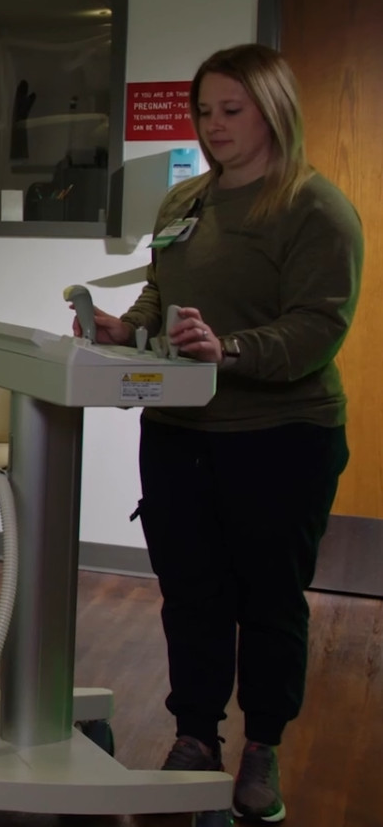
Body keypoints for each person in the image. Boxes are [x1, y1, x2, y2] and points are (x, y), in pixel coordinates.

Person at [75, 43, 362, 823]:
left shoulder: (314, 209)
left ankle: (263, 745)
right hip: (180, 432)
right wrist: (123, 329)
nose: (214, 125)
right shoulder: (184, 202)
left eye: (232, 110)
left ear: (273, 111)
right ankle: (195, 735)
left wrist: (227, 349)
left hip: (280, 437)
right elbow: (160, 296)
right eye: (205, 111)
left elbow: (316, 330)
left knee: (269, 599)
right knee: (191, 595)